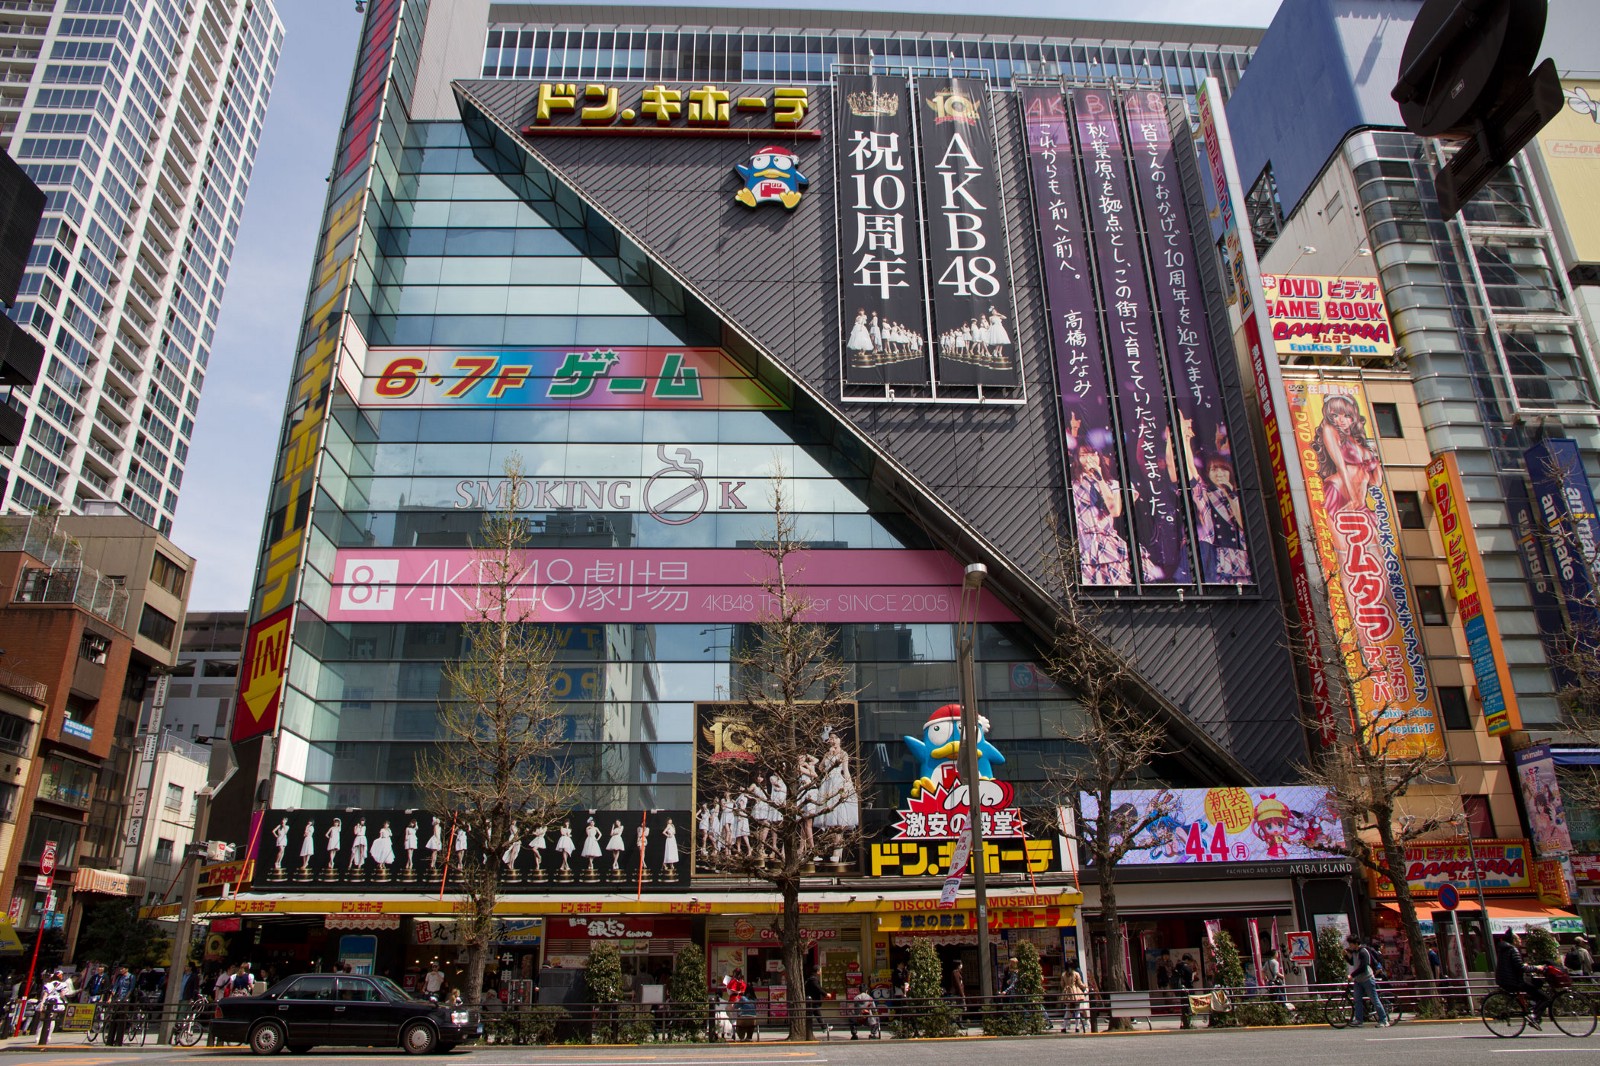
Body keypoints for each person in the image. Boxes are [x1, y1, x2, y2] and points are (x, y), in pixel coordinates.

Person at [1497, 931, 1555, 1029]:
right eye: (1518, 938)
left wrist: (1526, 966)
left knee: (1535, 991)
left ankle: (1532, 1009)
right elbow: (1520, 967)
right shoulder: (1513, 950)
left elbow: (1514, 966)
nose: (1520, 940)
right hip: (1514, 981)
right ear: (1514, 940)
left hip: (1505, 979)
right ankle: (1534, 1017)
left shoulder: (1504, 950)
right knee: (1546, 998)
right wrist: (1537, 968)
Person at [1346, 935, 1389, 1027]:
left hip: (1367, 978)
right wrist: (1345, 956)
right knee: (1357, 1000)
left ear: (1356, 943)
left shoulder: (1363, 952)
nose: (1350, 946)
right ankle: (1359, 1020)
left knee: (1374, 999)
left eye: (1351, 944)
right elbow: (1353, 963)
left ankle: (1384, 1020)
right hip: (1358, 980)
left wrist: (1352, 975)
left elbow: (1363, 967)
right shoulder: (1355, 952)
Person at [36, 970, 68, 1046]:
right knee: (52, 1018)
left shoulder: (48, 984)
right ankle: (48, 1037)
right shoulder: (63, 984)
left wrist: (42, 1004)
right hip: (56, 1002)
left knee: (42, 1019)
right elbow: (62, 995)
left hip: (47, 1001)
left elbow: (45, 995)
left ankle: (37, 1037)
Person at [105, 965, 134, 1046]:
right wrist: (111, 997)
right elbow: (115, 987)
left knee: (123, 1015)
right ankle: (111, 1037)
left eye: (123, 968)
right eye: (120, 969)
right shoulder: (119, 977)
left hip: (125, 997)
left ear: (127, 969)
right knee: (114, 1014)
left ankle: (123, 1031)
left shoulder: (131, 977)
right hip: (118, 996)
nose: (121, 970)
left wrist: (126, 997)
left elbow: (131, 988)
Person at [1059, 961, 1089, 1033]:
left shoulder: (1063, 975)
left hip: (1067, 993)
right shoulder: (1076, 974)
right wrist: (1086, 986)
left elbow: (1062, 985)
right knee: (1077, 1010)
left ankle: (1064, 1027)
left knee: (1068, 1010)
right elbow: (1080, 984)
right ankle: (1077, 1027)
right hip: (1075, 992)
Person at [1172, 953, 1196, 1029]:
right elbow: (1189, 980)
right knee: (1188, 1007)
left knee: (1183, 1007)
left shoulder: (1178, 966)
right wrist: (1193, 976)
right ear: (1187, 960)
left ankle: (1183, 1023)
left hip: (1180, 989)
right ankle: (1188, 1023)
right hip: (1187, 989)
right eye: (1190, 961)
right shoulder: (1187, 967)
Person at [803, 967, 827, 1038]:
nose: (820, 972)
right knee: (816, 1013)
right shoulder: (813, 979)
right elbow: (818, 988)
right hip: (813, 1000)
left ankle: (824, 1027)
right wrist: (825, 994)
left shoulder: (811, 979)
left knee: (815, 1013)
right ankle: (824, 1027)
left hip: (811, 1000)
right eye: (819, 970)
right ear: (817, 971)